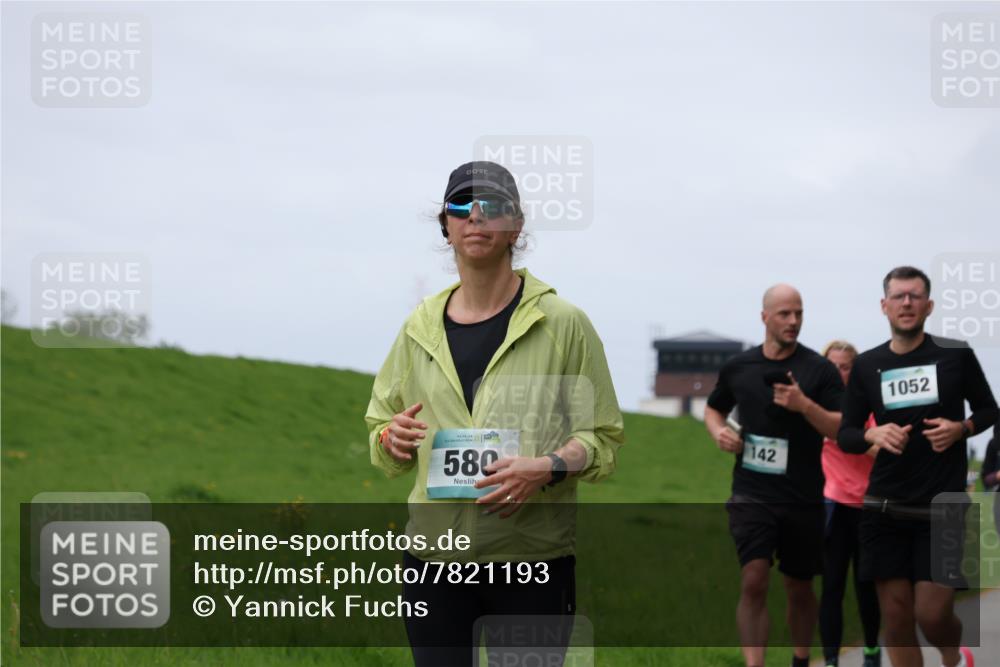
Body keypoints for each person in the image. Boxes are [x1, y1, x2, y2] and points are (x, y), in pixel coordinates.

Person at [365, 160, 625, 667]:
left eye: (493, 205)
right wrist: (389, 439)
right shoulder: (418, 328)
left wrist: (547, 467)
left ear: (517, 226)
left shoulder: (563, 323)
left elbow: (601, 438)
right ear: (446, 225)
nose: (476, 215)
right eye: (461, 204)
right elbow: (381, 426)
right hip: (433, 563)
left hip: (531, 561)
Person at [837, 266, 998, 667]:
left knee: (931, 614)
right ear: (884, 306)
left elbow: (988, 409)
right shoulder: (867, 365)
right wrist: (873, 435)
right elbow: (847, 434)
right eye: (898, 296)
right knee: (896, 618)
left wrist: (961, 428)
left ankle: (953, 655)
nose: (906, 303)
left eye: (914, 296)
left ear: (929, 306)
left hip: (941, 508)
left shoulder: (955, 354)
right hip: (885, 506)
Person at [704, 284, 845, 667]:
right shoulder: (740, 367)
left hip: (803, 495)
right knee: (754, 578)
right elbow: (714, 410)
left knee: (799, 586)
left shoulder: (819, 370)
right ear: (764, 317)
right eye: (784, 313)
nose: (793, 321)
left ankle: (801, 659)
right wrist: (719, 432)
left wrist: (804, 405)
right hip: (752, 492)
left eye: (799, 313)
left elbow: (840, 428)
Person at [818, 340, 881, 667]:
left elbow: (880, 450)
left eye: (846, 367)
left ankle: (871, 649)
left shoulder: (868, 405)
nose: (840, 373)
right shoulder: (817, 407)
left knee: (866, 587)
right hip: (832, 504)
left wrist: (848, 435)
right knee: (832, 587)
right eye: (833, 367)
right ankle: (830, 659)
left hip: (867, 506)